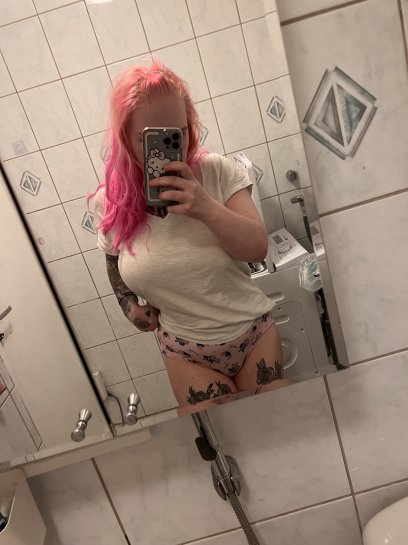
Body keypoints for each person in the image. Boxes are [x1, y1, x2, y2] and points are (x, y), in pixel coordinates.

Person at [92, 60, 289, 411]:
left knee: (276, 426)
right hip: (186, 353)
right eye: (150, 138)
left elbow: (257, 248)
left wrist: (205, 206)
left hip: (252, 333)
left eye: (177, 134)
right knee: (226, 437)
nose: (168, 149)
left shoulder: (217, 172)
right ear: (125, 139)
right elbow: (112, 259)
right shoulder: (111, 202)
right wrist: (128, 305)